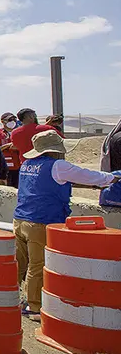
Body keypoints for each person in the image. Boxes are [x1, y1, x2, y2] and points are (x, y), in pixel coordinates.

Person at [13, 130, 119, 320]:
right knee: (37, 266)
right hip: (41, 221)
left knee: (20, 263)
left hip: (20, 219)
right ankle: (34, 306)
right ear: (55, 150)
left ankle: (8, 299)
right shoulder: (58, 166)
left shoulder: (27, 164)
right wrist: (113, 178)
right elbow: (89, 176)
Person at [0, 112, 21, 187]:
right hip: (3, 167)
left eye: (14, 119)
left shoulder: (19, 132)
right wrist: (7, 145)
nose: (13, 121)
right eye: (10, 119)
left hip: (18, 167)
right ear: (3, 121)